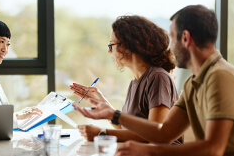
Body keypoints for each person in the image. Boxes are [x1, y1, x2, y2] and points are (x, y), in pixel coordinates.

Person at [73, 5, 234, 156]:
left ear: (185, 38)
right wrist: (113, 115)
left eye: (172, 36)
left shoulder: (221, 76)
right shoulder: (194, 82)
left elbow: (213, 150)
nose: (169, 47)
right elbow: (163, 133)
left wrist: (147, 151)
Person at [70, 15, 181, 144]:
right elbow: (125, 130)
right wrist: (104, 104)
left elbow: (155, 135)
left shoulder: (158, 78)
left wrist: (102, 134)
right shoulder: (135, 82)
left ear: (128, 46)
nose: (109, 51)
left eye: (111, 45)